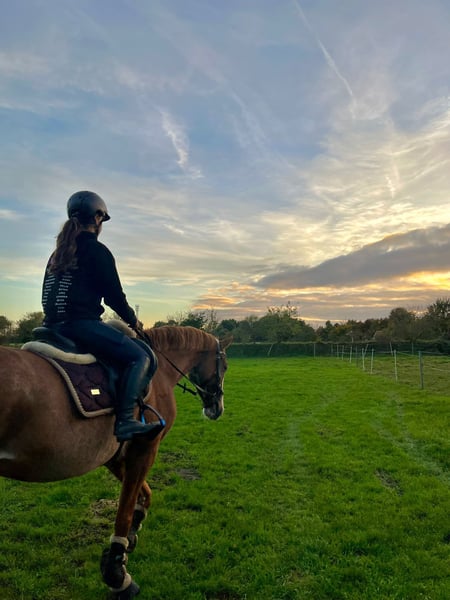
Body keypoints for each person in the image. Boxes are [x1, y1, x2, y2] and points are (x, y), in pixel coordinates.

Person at [41, 190, 162, 442]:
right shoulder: (97, 251)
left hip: (51, 327)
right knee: (140, 357)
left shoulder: (57, 254)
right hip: (80, 326)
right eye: (102, 219)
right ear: (97, 218)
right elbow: (114, 297)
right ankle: (126, 420)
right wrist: (133, 321)